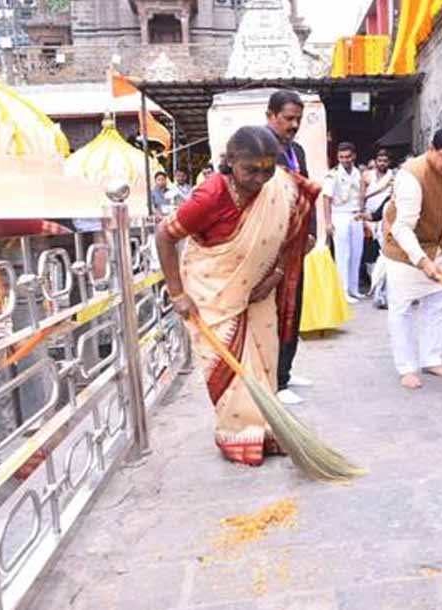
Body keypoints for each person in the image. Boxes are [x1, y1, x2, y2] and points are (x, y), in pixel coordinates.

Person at [155, 126, 318, 466]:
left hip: (258, 287)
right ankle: (238, 433)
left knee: (264, 358)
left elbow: (289, 234)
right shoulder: (209, 196)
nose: (260, 178)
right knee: (228, 364)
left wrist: (273, 275)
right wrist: (176, 292)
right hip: (212, 288)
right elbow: (164, 237)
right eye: (251, 170)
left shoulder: (278, 187)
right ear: (230, 161)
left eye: (268, 168)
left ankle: (267, 429)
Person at [382, 127, 442, 390]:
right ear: (431, 150)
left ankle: (431, 359)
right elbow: (401, 227)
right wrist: (422, 262)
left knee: (438, 302)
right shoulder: (411, 175)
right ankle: (406, 367)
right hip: (402, 245)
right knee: (402, 308)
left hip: (438, 244)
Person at [266, 89, 315, 405]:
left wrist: (311, 232)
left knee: (293, 307)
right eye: (288, 118)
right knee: (274, 310)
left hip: (298, 242)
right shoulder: (260, 146)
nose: (294, 124)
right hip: (272, 243)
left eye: (298, 118)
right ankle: (273, 379)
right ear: (270, 116)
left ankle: (286, 370)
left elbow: (308, 194)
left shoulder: (297, 149)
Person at [323, 142, 365, 303]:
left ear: (353, 156)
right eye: (341, 157)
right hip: (339, 215)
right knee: (343, 254)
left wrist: (362, 212)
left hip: (355, 215)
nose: (345, 160)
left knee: (356, 253)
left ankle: (354, 289)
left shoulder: (357, 173)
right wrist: (328, 222)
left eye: (348, 157)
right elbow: (326, 198)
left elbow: (361, 194)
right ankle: (343, 290)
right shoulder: (332, 174)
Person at [362, 149, 395, 307]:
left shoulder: (393, 177)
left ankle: (386, 292)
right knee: (371, 255)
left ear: (389, 163)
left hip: (388, 221)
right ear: (375, 161)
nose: (382, 163)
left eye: (385, 161)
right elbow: (362, 196)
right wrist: (362, 216)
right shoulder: (367, 176)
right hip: (371, 219)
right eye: (379, 160)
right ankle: (375, 288)